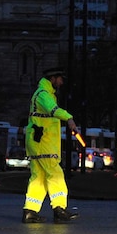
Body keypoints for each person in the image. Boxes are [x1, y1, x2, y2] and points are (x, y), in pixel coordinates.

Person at [21, 67, 80, 224]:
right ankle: (59, 209)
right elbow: (53, 111)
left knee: (38, 178)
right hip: (43, 143)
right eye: (60, 79)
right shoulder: (43, 95)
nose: (61, 82)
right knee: (55, 174)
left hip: (38, 142)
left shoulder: (43, 94)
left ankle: (30, 211)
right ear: (52, 79)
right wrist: (69, 118)